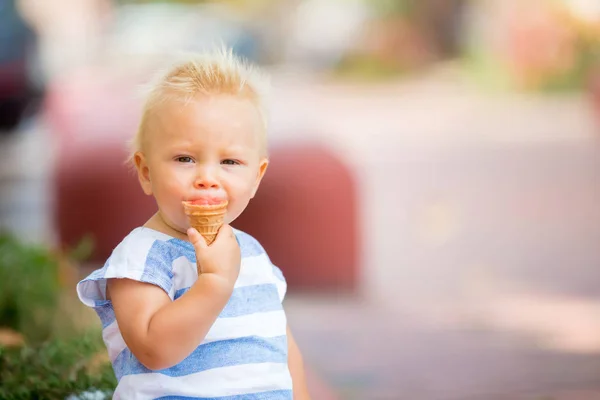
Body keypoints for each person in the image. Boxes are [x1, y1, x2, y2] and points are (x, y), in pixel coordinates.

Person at [76, 49, 311, 399]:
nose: (207, 177)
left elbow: (282, 350)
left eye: (230, 161)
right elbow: (153, 349)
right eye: (185, 158)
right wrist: (214, 284)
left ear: (257, 177)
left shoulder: (252, 255)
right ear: (146, 172)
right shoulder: (141, 257)